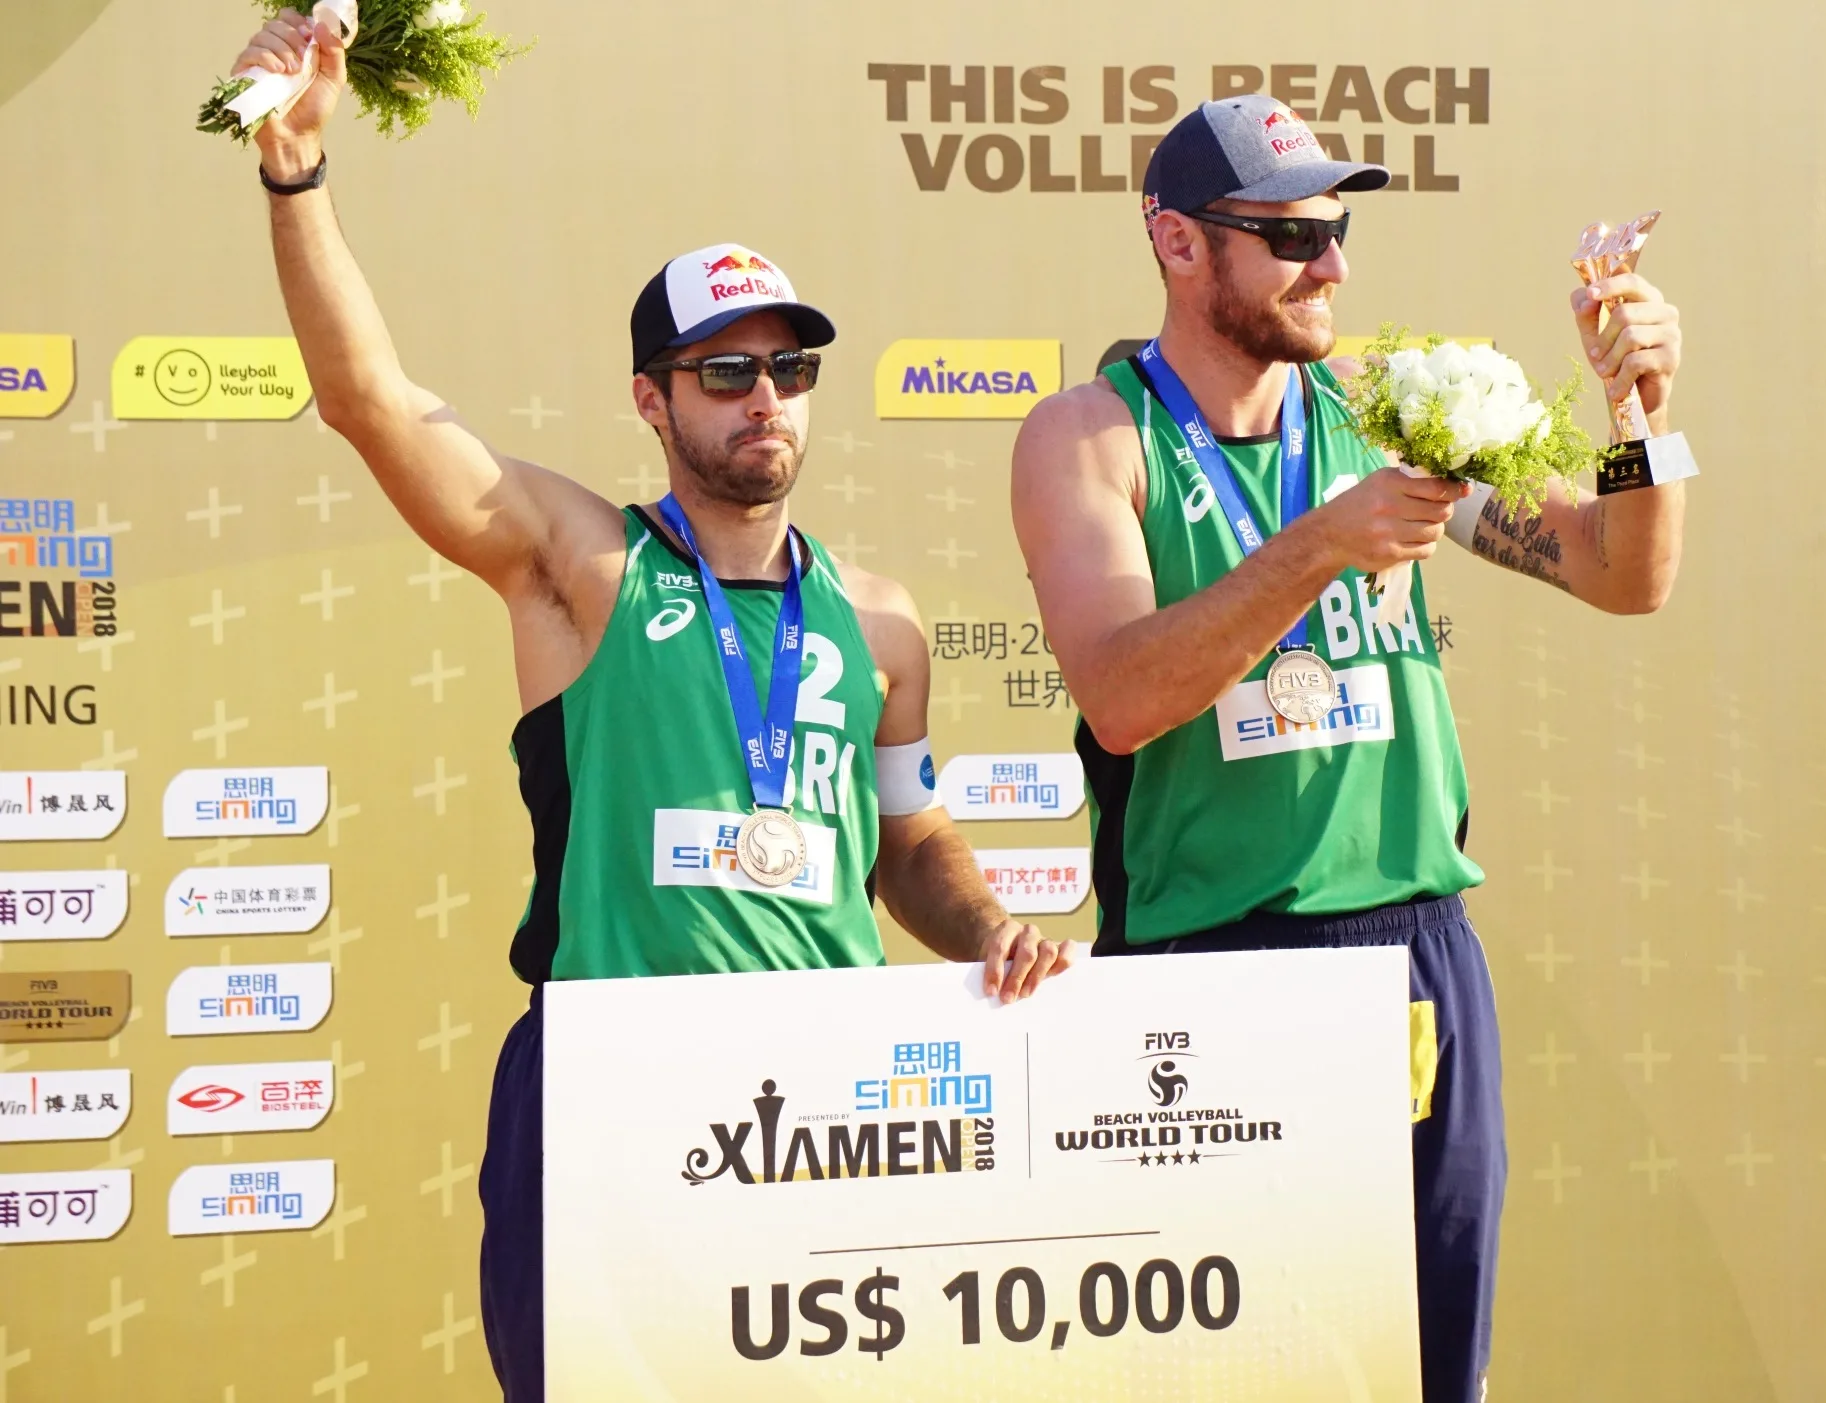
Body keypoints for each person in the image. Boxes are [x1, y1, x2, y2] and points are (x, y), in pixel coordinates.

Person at [232, 11, 1075, 1401]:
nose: (765, 401)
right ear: (651, 394)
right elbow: (370, 401)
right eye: (725, 370)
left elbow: (907, 841)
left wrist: (989, 929)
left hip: (827, 1101)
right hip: (613, 1077)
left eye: (788, 370)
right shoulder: (583, 564)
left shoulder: (882, 620)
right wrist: (296, 173)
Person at [1009, 95, 1686, 1403]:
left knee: (1433, 1373)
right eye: (1293, 234)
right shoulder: (1090, 434)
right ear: (1179, 243)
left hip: (1416, 955)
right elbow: (1120, 694)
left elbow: (1622, 574)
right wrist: (1325, 541)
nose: (1334, 263)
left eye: (1339, 227)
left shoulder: (1386, 405)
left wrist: (1638, 414)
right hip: (1212, 968)